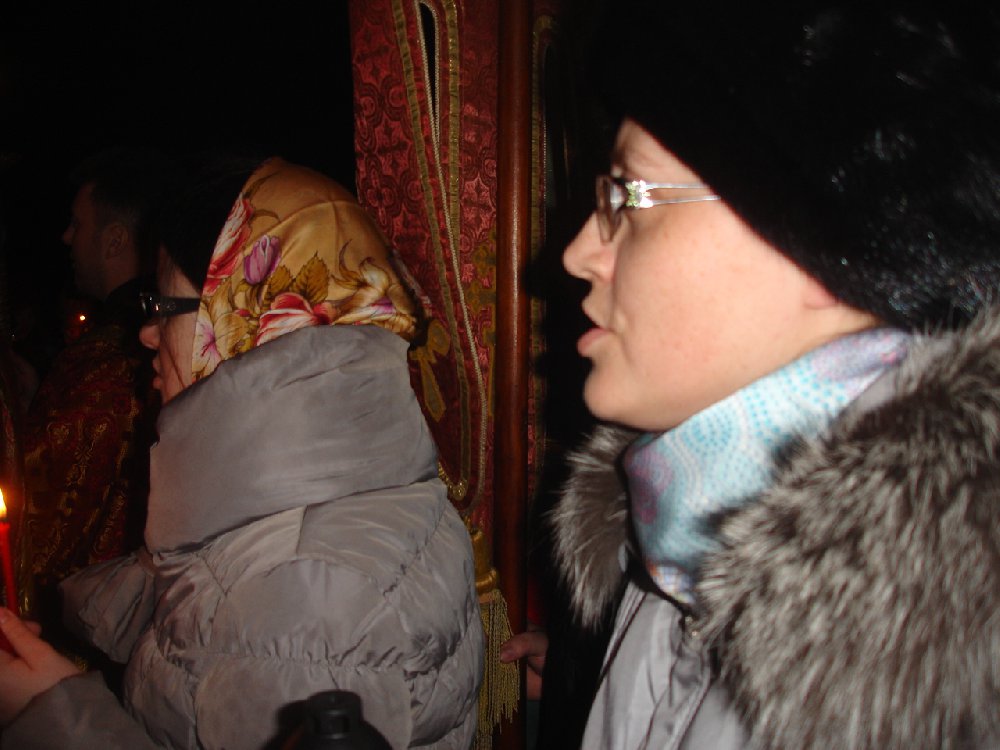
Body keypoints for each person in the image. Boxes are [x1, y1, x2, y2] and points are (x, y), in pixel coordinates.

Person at [546, 3, 1000, 749]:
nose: (578, 253)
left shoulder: (949, 672)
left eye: (629, 195)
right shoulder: (679, 530)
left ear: (824, 249)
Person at [0, 156, 483, 749]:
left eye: (163, 307)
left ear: (246, 318)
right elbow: (213, 628)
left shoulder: (310, 596)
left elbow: (258, 625)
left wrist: (52, 713)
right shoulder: (337, 482)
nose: (146, 334)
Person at [21, 147, 172, 637]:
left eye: (77, 223)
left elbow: (38, 517)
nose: (66, 237)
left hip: (85, 631)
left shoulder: (109, 362)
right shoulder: (112, 346)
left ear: (115, 240)